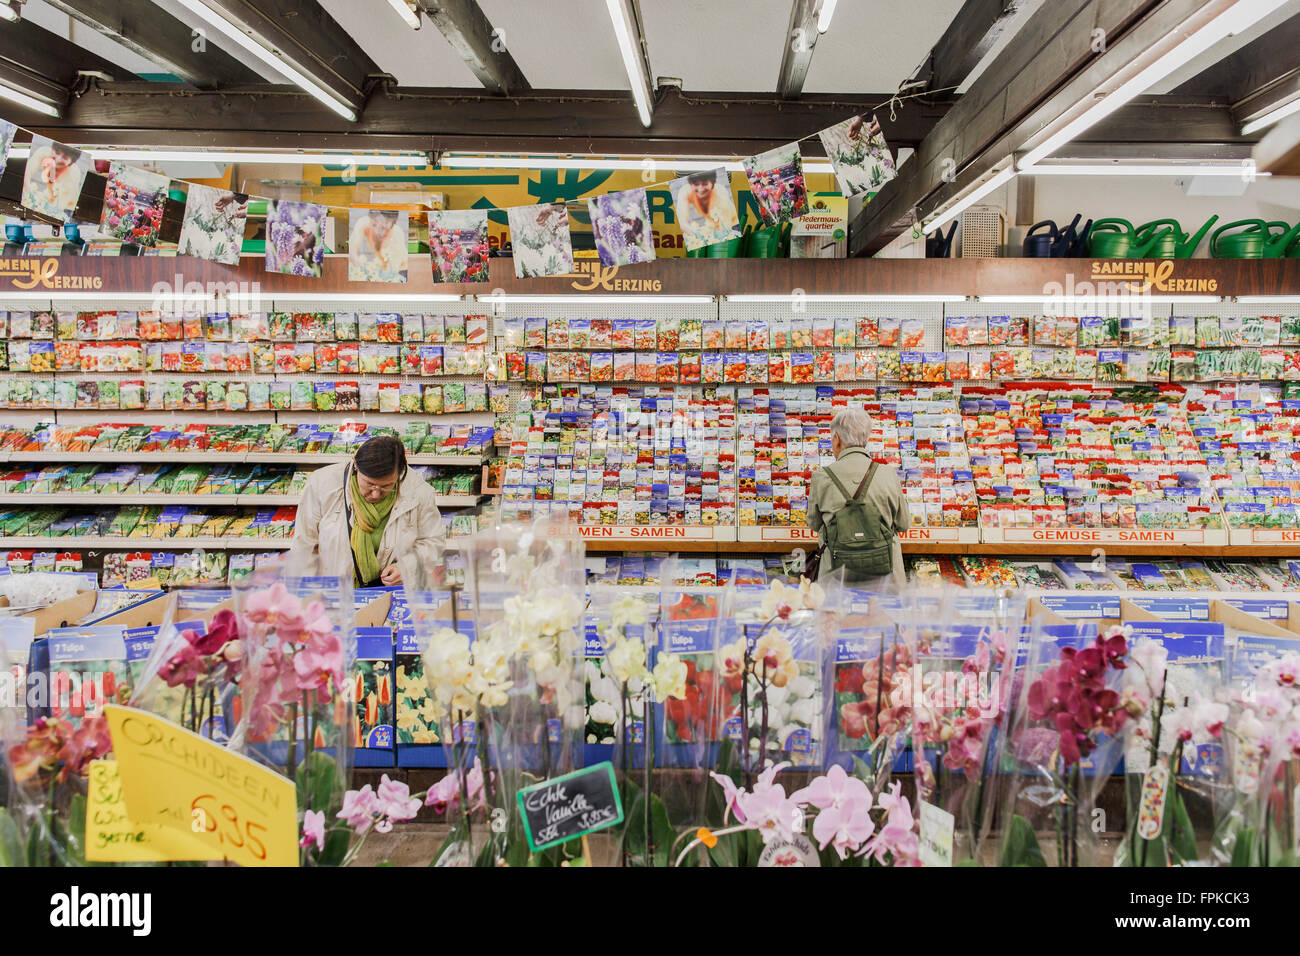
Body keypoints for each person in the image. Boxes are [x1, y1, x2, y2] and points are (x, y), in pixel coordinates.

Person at [289, 435, 445, 586]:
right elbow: (305, 544)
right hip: (336, 594)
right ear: (355, 465)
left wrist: (406, 568)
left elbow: (432, 541)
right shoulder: (322, 484)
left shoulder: (419, 492)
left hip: (392, 596)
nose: (376, 493)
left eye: (386, 486)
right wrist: (308, 593)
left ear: (399, 474)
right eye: (369, 484)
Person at [806, 407, 911, 587]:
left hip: (837, 578)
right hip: (884, 581)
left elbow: (814, 524)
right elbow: (903, 524)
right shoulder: (888, 474)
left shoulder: (821, 477)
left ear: (837, 439)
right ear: (866, 438)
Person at [22, 141, 86, 220]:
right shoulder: (44, 152)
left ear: (71, 163)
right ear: (52, 150)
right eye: (57, 153)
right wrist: (27, 197)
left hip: (67, 208)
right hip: (50, 198)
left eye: (65, 157)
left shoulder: (72, 174)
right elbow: (26, 173)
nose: (58, 159)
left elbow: (60, 207)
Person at [675, 170, 740, 247]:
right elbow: (682, 221)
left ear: (712, 183)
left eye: (705, 184)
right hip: (712, 226)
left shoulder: (720, 195)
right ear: (690, 184)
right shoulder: (685, 191)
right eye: (696, 184)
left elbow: (725, 233)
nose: (700, 189)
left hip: (733, 227)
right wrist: (696, 235)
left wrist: (702, 239)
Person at [349, 209, 407, 281]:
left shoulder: (396, 234)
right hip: (378, 270)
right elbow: (352, 251)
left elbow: (394, 269)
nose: (379, 227)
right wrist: (360, 267)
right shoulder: (364, 223)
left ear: (392, 223)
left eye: (385, 222)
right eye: (375, 221)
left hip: (400, 271)